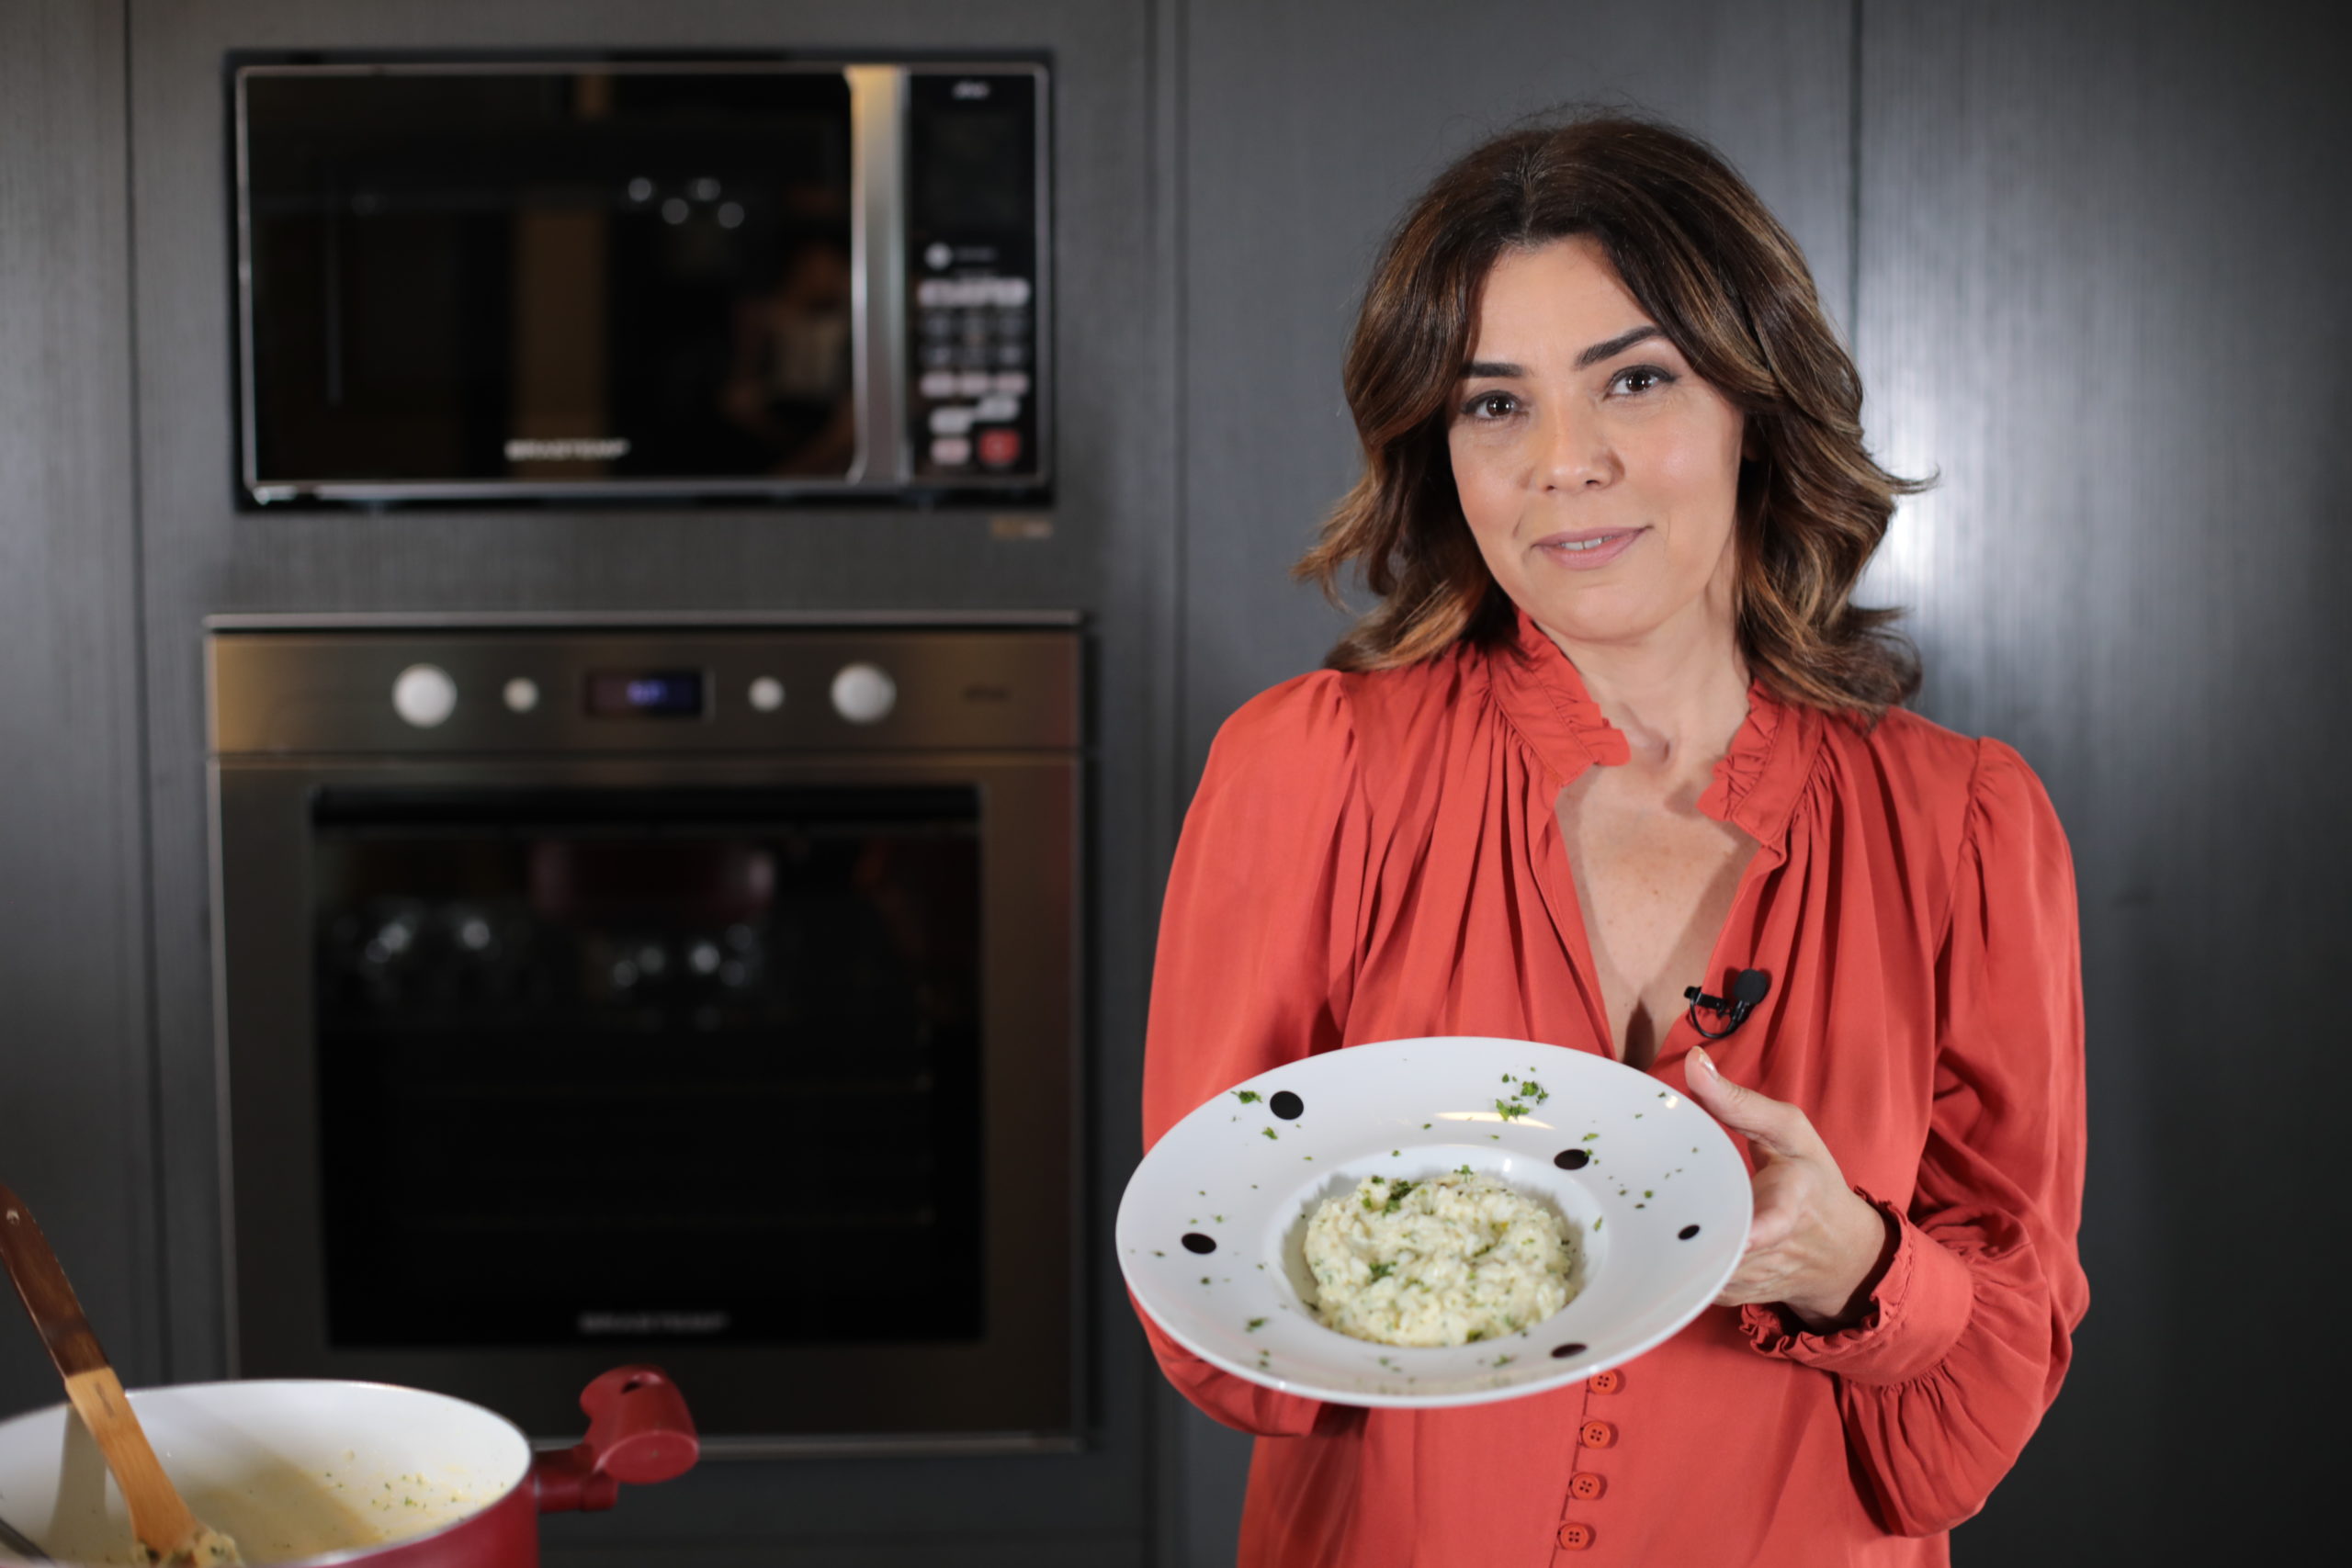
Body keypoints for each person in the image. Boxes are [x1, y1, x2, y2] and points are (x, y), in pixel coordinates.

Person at [1136, 114, 2086, 1567]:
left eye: (1634, 381)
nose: (1563, 464)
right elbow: (1213, 1321)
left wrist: (1855, 1262)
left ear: (1755, 402)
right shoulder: (1310, 771)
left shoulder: (1964, 825)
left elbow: (1979, 1412)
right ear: (1440, 448)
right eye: (1494, 405)